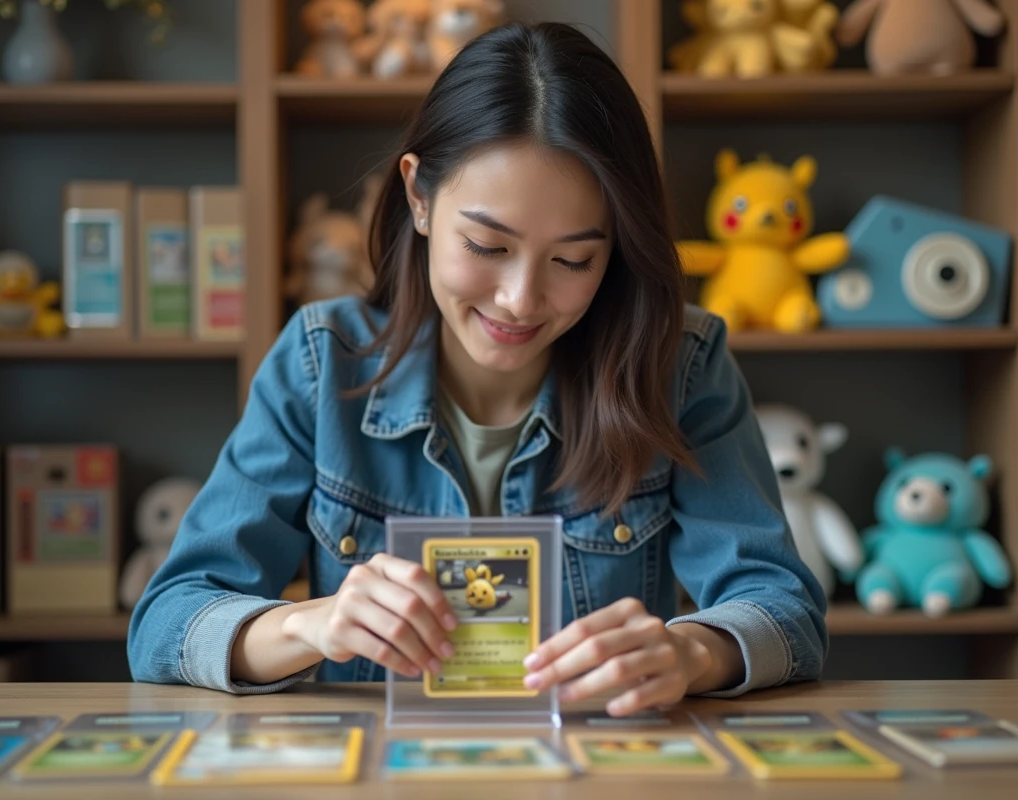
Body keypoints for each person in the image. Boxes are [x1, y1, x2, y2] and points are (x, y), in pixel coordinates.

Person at [128, 21, 827, 716]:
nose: (520, 300)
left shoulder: (679, 364)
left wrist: (692, 653)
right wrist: (311, 624)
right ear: (419, 197)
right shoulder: (321, 362)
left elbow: (784, 610)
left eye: (573, 260)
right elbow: (166, 621)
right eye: (487, 246)